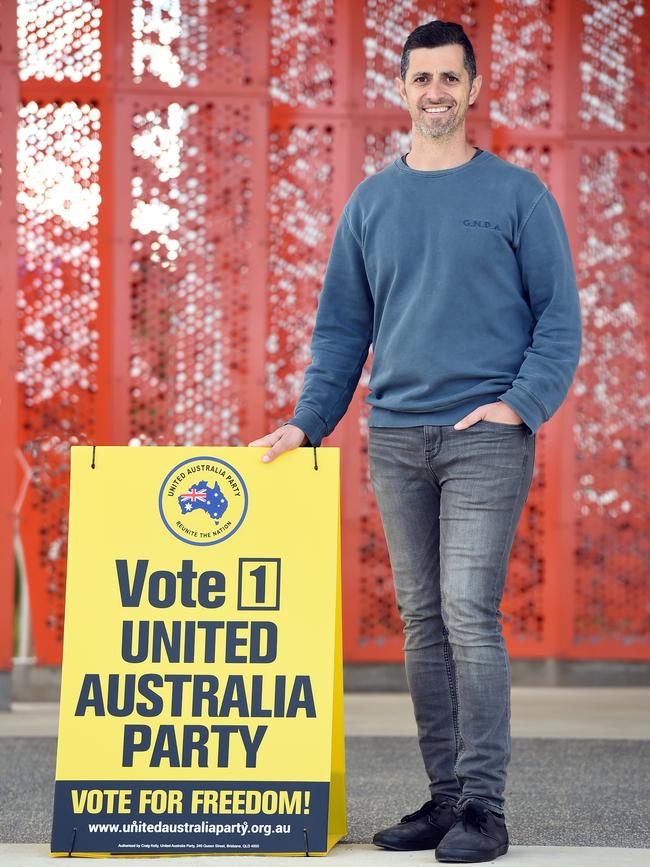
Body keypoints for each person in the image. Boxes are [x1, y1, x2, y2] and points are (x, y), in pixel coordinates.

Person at [249, 19, 582, 865]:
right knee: (422, 620)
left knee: (470, 613)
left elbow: (560, 321)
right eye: (420, 78)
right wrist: (306, 420)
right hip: (395, 439)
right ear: (402, 89)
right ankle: (444, 801)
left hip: (484, 440)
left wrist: (519, 406)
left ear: (474, 89)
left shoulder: (519, 196)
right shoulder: (372, 202)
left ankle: (485, 809)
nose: (435, 92)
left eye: (449, 79)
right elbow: (340, 332)